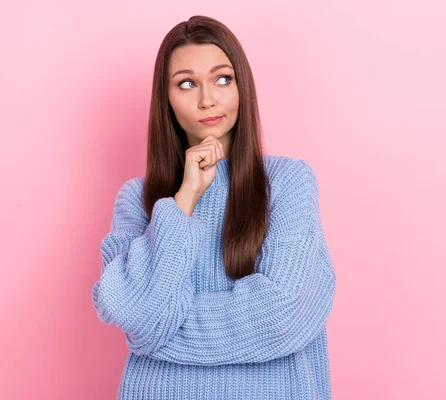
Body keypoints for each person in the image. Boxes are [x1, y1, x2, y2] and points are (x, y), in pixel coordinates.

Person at [91, 15, 337, 399]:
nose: (207, 99)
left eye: (223, 79)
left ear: (242, 86)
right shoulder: (138, 199)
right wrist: (183, 199)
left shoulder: (287, 182)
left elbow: (285, 315)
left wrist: (160, 329)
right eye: (187, 84)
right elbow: (129, 309)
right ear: (167, 100)